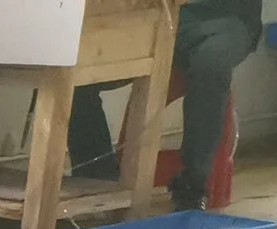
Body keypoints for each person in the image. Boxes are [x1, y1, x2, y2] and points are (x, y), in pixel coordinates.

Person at [67, 0, 260, 212]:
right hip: (152, 16)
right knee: (69, 69)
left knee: (211, 64)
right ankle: (98, 182)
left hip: (224, 18)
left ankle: (193, 185)